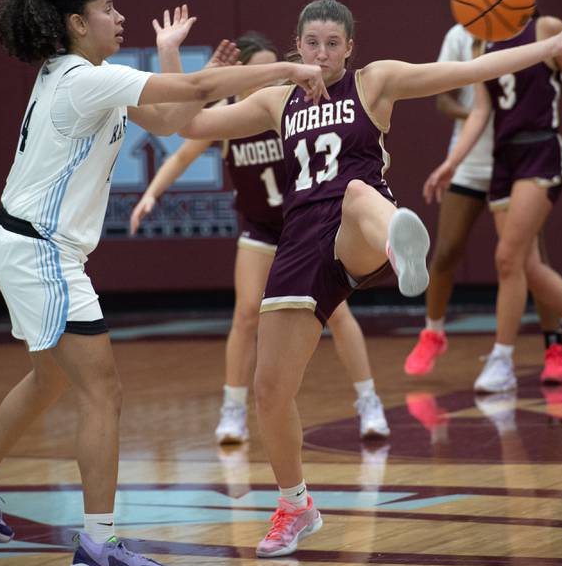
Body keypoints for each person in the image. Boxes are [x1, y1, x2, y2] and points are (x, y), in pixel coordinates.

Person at [0, 0, 328, 566]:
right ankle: (98, 545)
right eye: (107, 9)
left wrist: (169, 54)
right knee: (103, 393)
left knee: (49, 382)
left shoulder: (91, 82)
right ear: (76, 25)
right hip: (41, 252)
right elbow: (196, 86)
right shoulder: (85, 80)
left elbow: (171, 120)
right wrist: (284, 71)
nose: (120, 17)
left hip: (25, 244)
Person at [177, 0, 562, 557]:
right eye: (313, 42)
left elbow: (466, 70)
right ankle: (295, 505)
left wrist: (549, 47)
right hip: (299, 242)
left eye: (334, 43)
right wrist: (178, 62)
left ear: (350, 47)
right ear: (298, 44)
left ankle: (401, 243)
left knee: (359, 193)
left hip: (357, 226)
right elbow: (189, 120)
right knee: (270, 390)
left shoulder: (374, 81)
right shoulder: (275, 98)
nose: (323, 52)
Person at [130, 31, 390, 443]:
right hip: (260, 227)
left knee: (338, 315)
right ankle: (233, 410)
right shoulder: (233, 117)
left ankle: (369, 400)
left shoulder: (292, 107)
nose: (271, 78)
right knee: (245, 313)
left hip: (306, 227)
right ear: (240, 75)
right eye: (260, 71)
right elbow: (181, 151)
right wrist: (151, 193)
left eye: (276, 70)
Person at [424, 13, 562, 395]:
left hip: (540, 149)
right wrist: (451, 163)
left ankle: (502, 358)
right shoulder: (482, 43)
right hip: (504, 158)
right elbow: (481, 111)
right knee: (522, 264)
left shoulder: (545, 29)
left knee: (507, 257)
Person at [405, 23, 562, 384]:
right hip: (470, 161)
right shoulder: (458, 36)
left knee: (530, 258)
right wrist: (480, 114)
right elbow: (443, 99)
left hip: (515, 161)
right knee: (445, 251)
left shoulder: (529, 33)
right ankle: (433, 332)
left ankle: (555, 345)